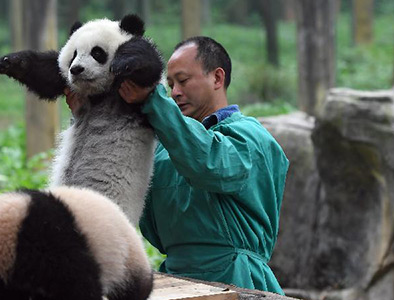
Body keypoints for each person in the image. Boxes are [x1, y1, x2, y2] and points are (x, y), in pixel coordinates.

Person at [66, 36, 289, 294]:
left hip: (238, 278)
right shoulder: (164, 150)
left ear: (217, 78)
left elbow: (208, 164)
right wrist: (90, 116)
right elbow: (132, 209)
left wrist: (154, 101)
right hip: (175, 281)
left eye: (183, 81)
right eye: (169, 84)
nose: (174, 93)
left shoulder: (251, 137)